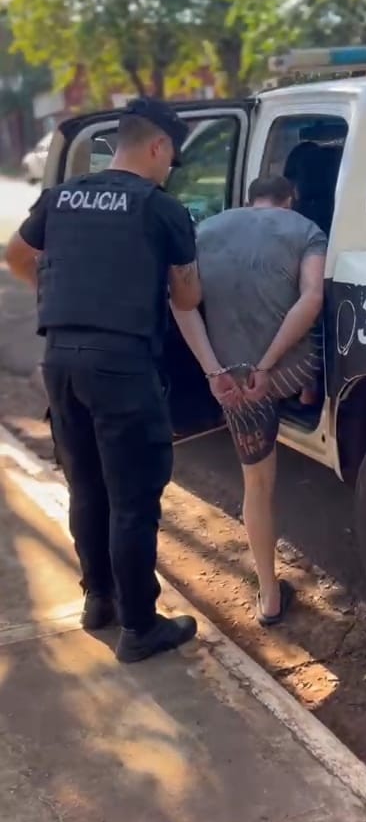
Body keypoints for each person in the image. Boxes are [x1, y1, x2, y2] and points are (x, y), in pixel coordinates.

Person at [5, 97, 212, 662]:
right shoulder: (161, 208)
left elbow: (17, 255)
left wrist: (60, 297)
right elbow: (187, 297)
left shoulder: (62, 196)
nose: (169, 169)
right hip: (121, 366)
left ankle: (98, 600)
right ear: (158, 147)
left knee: (87, 487)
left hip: (61, 361)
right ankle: (140, 626)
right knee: (132, 500)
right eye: (171, 158)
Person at [171, 175, 326, 625]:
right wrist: (269, 363)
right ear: (289, 199)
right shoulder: (307, 230)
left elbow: (181, 303)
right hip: (287, 371)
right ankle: (310, 392)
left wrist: (213, 371)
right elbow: (313, 298)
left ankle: (270, 598)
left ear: (248, 201)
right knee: (326, 333)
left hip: (236, 385)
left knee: (256, 486)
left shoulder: (206, 231)